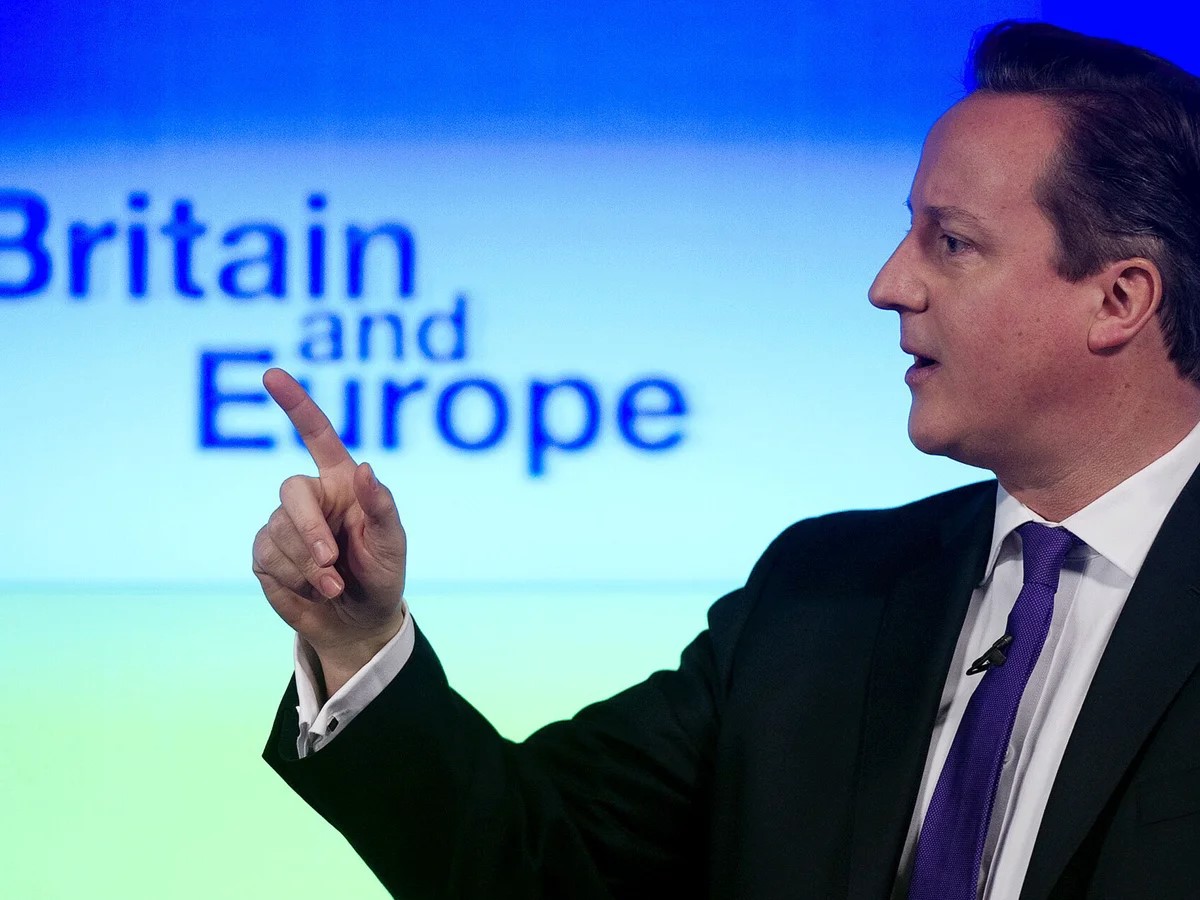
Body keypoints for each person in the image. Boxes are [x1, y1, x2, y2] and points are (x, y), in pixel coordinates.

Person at [256, 20, 1200, 899]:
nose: (888, 284)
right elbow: (532, 856)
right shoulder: (823, 596)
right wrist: (356, 640)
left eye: (950, 243)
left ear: (1118, 300)